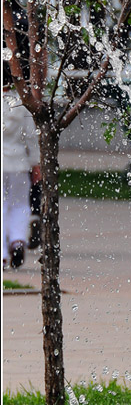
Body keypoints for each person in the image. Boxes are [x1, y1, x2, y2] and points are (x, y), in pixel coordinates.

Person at [2, 75, 41, 269]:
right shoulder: (20, 103)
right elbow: (31, 136)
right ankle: (17, 240)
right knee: (19, 204)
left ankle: (1, 252)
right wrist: (36, 163)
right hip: (18, 162)